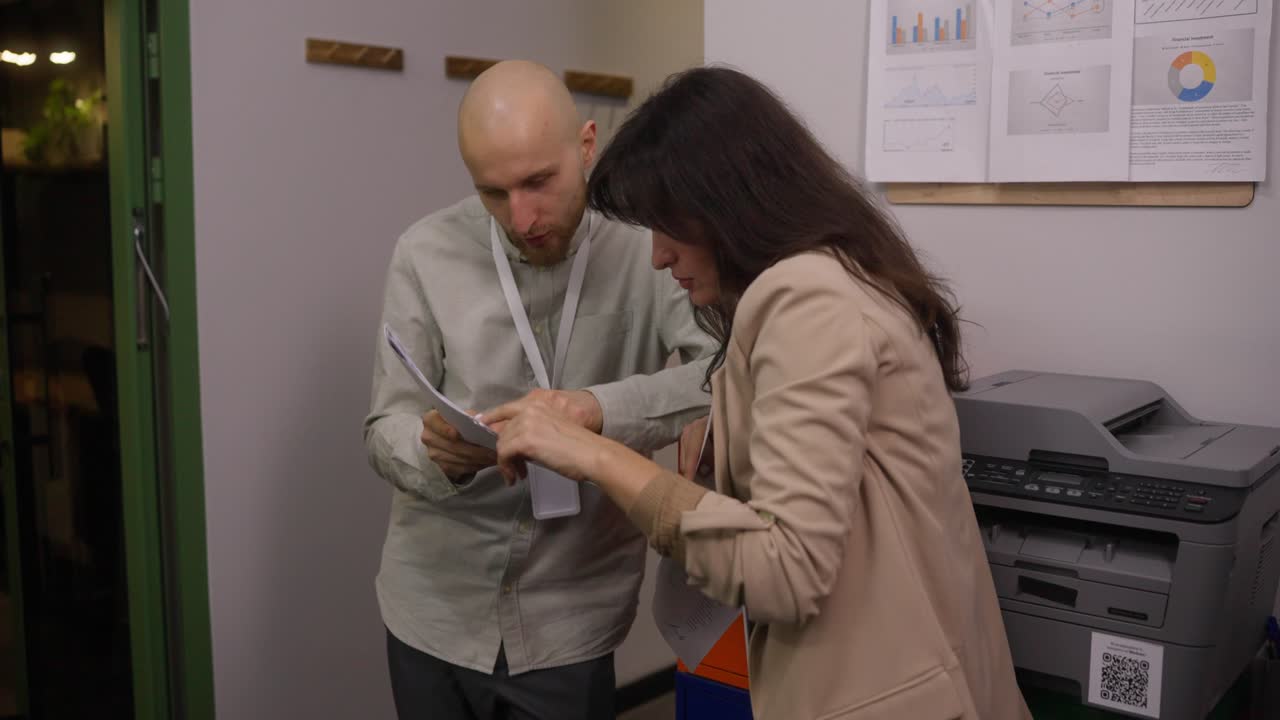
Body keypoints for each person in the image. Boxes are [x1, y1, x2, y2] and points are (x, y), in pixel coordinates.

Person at [484, 67, 1032, 720]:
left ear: (726, 201)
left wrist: (594, 456)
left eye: (667, 227)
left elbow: (784, 571)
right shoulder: (837, 275)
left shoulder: (805, 297)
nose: (658, 257)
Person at [363, 60, 714, 720]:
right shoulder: (424, 252)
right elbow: (382, 428)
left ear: (587, 147)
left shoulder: (650, 245)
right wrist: (430, 448)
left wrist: (595, 410)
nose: (520, 217)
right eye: (493, 192)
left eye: (538, 183)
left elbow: (722, 373)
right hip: (431, 610)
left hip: (570, 618)